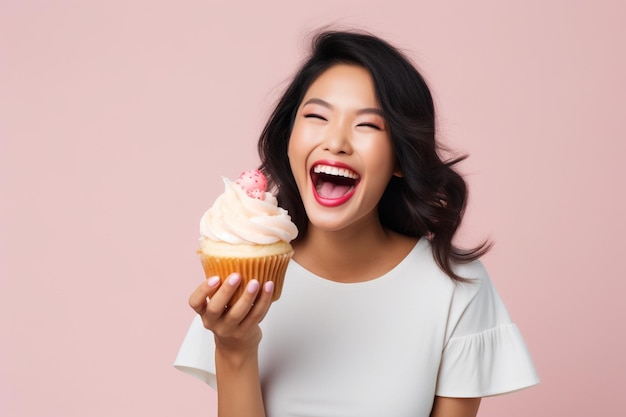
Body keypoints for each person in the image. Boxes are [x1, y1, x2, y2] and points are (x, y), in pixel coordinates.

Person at [175, 30, 539, 417]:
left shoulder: (455, 285)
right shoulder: (246, 277)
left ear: (401, 158)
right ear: (289, 139)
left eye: (367, 125)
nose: (336, 142)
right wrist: (235, 348)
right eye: (316, 116)